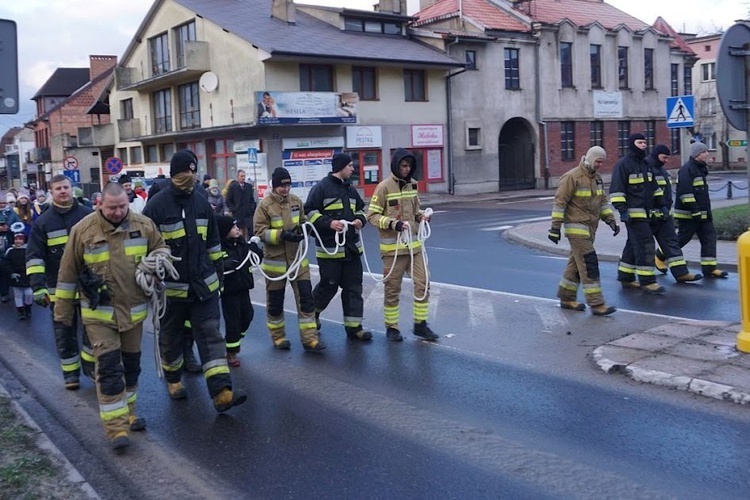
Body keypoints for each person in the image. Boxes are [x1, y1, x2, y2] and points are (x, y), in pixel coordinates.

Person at [55, 182, 167, 451]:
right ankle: (116, 427)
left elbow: (162, 249)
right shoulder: (83, 231)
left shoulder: (144, 225)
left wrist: (156, 265)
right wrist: (63, 315)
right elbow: (68, 275)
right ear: (99, 205)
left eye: (122, 207)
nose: (118, 212)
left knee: (131, 366)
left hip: (133, 313)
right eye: (112, 207)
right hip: (99, 316)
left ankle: (129, 411)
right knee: (108, 368)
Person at [142, 149, 247, 412]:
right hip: (171, 292)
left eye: (192, 170)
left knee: (211, 336)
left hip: (204, 287)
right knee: (171, 337)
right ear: (173, 174)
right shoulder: (156, 206)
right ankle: (174, 379)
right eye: (184, 172)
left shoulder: (202, 202)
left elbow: (213, 242)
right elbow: (144, 245)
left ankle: (222, 392)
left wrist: (219, 276)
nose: (189, 176)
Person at [26, 174, 95, 389]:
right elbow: (35, 257)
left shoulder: (88, 216)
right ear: (51, 192)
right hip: (59, 291)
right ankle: (70, 375)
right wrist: (38, 287)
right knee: (64, 334)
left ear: (71, 188)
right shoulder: (43, 223)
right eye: (58, 189)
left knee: (93, 331)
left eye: (66, 187)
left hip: (88, 287)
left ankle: (91, 368)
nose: (63, 191)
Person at [365, 148, 439, 342]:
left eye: (409, 166)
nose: (407, 169)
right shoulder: (383, 187)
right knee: (392, 289)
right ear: (396, 165)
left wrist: (421, 216)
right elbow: (371, 216)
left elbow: (414, 211)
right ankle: (392, 328)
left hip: (414, 248)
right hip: (393, 251)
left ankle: (420, 325)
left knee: (423, 283)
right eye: (403, 165)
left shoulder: (413, 185)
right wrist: (393, 224)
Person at [253, 167, 325, 351]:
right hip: (276, 263)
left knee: (306, 300)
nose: (285, 189)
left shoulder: (296, 201)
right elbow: (260, 232)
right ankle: (278, 337)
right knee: (275, 302)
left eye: (288, 185)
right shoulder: (265, 205)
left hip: (298, 261)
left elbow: (302, 221)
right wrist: (282, 235)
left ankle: (310, 339)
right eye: (282, 186)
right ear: (275, 185)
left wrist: (304, 229)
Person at [304, 153, 371, 341]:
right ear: (340, 167)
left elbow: (360, 209)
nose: (352, 169)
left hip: (351, 249)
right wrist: (329, 223)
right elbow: (309, 212)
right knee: (328, 286)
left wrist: (360, 220)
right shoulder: (321, 189)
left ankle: (354, 327)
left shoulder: (350, 190)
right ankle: (313, 315)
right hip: (330, 250)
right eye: (350, 166)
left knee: (353, 288)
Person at [548, 146, 618, 316]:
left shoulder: (597, 179)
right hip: (576, 229)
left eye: (602, 162)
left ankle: (566, 297)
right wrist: (555, 227)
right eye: (598, 161)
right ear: (590, 159)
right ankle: (597, 304)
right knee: (589, 263)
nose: (600, 165)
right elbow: (560, 203)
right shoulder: (572, 177)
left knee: (576, 264)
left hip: (590, 229)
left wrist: (611, 220)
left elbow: (602, 202)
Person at [610, 133, 667, 294]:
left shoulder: (645, 164)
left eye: (644, 142)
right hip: (633, 215)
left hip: (647, 214)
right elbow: (616, 190)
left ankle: (626, 277)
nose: (643, 145)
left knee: (632, 244)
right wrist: (622, 210)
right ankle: (647, 281)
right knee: (646, 244)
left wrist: (661, 205)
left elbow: (654, 188)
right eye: (640, 142)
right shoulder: (623, 165)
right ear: (632, 144)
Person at [647, 145, 703, 283]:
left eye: (667, 157)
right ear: (656, 155)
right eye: (664, 157)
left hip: (664, 216)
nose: (666, 160)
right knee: (636, 246)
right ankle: (626, 275)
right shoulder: (646, 169)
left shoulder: (661, 169)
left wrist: (666, 207)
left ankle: (681, 273)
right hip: (649, 217)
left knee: (672, 244)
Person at [673, 142, 729, 278]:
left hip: (703, 215)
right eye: (704, 152)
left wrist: (704, 213)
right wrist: (695, 212)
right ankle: (661, 255)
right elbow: (685, 194)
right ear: (697, 154)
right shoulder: (687, 170)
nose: (707, 154)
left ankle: (710, 268)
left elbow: (702, 195)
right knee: (682, 239)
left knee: (709, 239)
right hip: (689, 215)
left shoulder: (700, 169)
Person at [216, 215, 262, 367]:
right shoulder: (219, 249)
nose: (237, 229)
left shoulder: (242, 245)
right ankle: (231, 352)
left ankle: (235, 340)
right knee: (233, 322)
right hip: (229, 291)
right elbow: (214, 265)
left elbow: (255, 259)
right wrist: (225, 264)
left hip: (244, 288)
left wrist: (256, 249)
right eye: (233, 227)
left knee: (248, 316)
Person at [5, 222, 32, 319]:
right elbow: (6, 263)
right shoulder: (10, 251)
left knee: (29, 293)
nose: (18, 241)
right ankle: (20, 311)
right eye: (16, 239)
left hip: (27, 275)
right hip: (15, 276)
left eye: (20, 239)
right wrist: (11, 273)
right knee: (18, 295)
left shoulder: (29, 250)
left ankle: (28, 308)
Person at [225, 169, 256, 240]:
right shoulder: (233, 187)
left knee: (250, 232)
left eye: (244, 176)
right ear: (237, 177)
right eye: (241, 176)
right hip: (238, 214)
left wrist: (251, 208)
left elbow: (252, 199)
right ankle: (241, 245)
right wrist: (233, 209)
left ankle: (250, 245)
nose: (243, 178)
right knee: (240, 232)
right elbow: (228, 200)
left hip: (248, 214)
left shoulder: (248, 187)